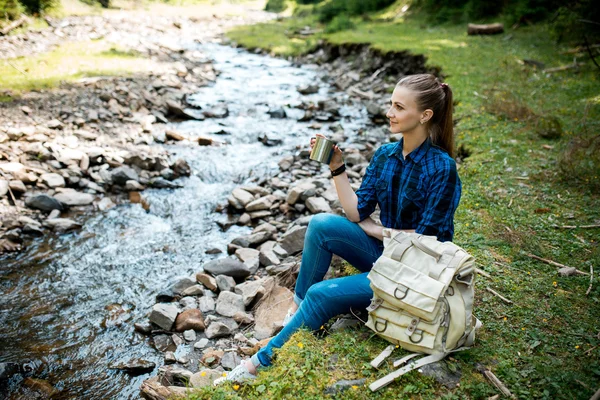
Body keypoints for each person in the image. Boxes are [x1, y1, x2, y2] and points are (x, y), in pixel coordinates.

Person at [215, 73, 461, 384]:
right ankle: (296, 313)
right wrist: (337, 166)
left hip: (416, 271)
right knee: (321, 224)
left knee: (324, 293)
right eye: (390, 104)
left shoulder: (441, 168)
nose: (389, 113)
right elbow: (357, 212)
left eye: (399, 107)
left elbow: (428, 241)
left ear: (425, 115)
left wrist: (375, 231)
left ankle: (257, 366)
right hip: (387, 257)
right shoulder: (386, 155)